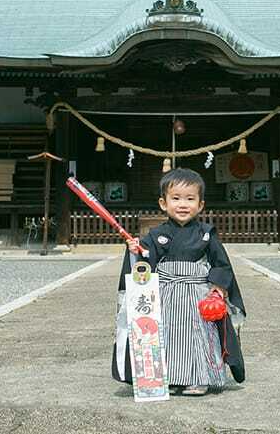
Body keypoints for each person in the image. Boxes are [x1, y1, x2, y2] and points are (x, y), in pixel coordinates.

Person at [112, 168, 246, 396]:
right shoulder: (155, 235)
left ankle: (200, 378)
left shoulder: (206, 234)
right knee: (168, 336)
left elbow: (221, 264)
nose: (183, 204)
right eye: (176, 198)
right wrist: (136, 252)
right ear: (163, 203)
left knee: (200, 336)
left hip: (198, 293)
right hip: (166, 295)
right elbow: (145, 264)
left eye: (190, 199)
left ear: (200, 205)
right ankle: (171, 378)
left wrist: (218, 288)